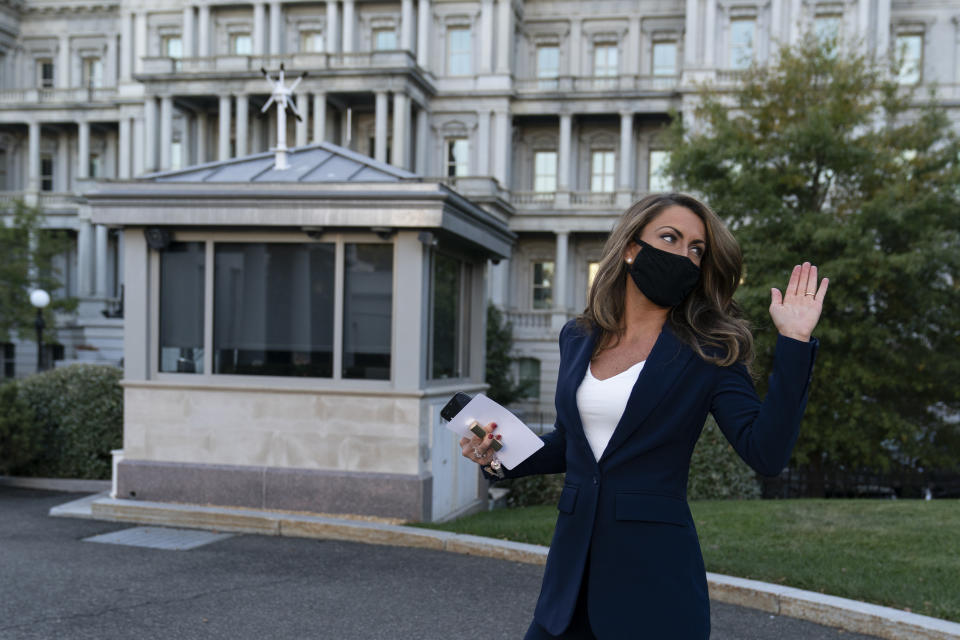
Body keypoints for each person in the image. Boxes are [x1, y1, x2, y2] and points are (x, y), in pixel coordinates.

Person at [460, 193, 828, 639]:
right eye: (670, 238)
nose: (684, 255)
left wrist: (794, 341)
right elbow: (576, 444)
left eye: (696, 249)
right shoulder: (578, 337)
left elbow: (766, 451)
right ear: (632, 248)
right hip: (569, 582)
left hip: (655, 587)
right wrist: (495, 454)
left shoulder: (709, 352)